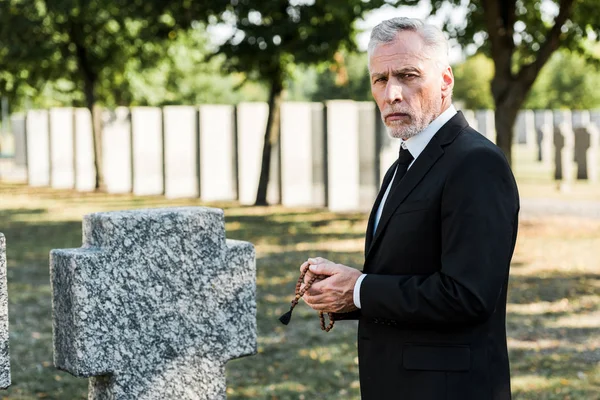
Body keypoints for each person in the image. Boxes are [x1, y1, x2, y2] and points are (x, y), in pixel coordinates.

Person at [301, 17, 519, 400]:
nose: (392, 94)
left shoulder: (476, 163)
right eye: (380, 79)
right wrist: (343, 292)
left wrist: (360, 290)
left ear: (445, 81)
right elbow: (404, 274)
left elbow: (468, 295)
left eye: (408, 75)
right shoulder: (405, 162)